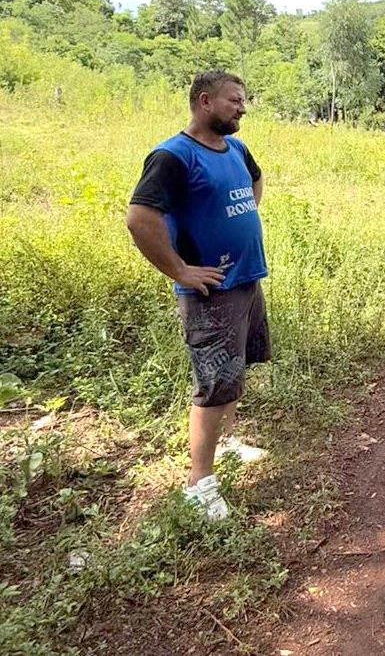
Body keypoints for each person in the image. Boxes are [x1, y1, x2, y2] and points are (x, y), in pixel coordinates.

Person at [126, 70, 270, 521]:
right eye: (234, 100)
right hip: (211, 291)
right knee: (212, 384)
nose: (242, 108)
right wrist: (182, 270)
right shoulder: (174, 156)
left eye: (244, 100)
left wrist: (237, 213)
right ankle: (199, 483)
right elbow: (139, 218)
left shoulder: (236, 149)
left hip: (245, 278)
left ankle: (229, 444)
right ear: (205, 102)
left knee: (234, 371)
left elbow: (255, 180)